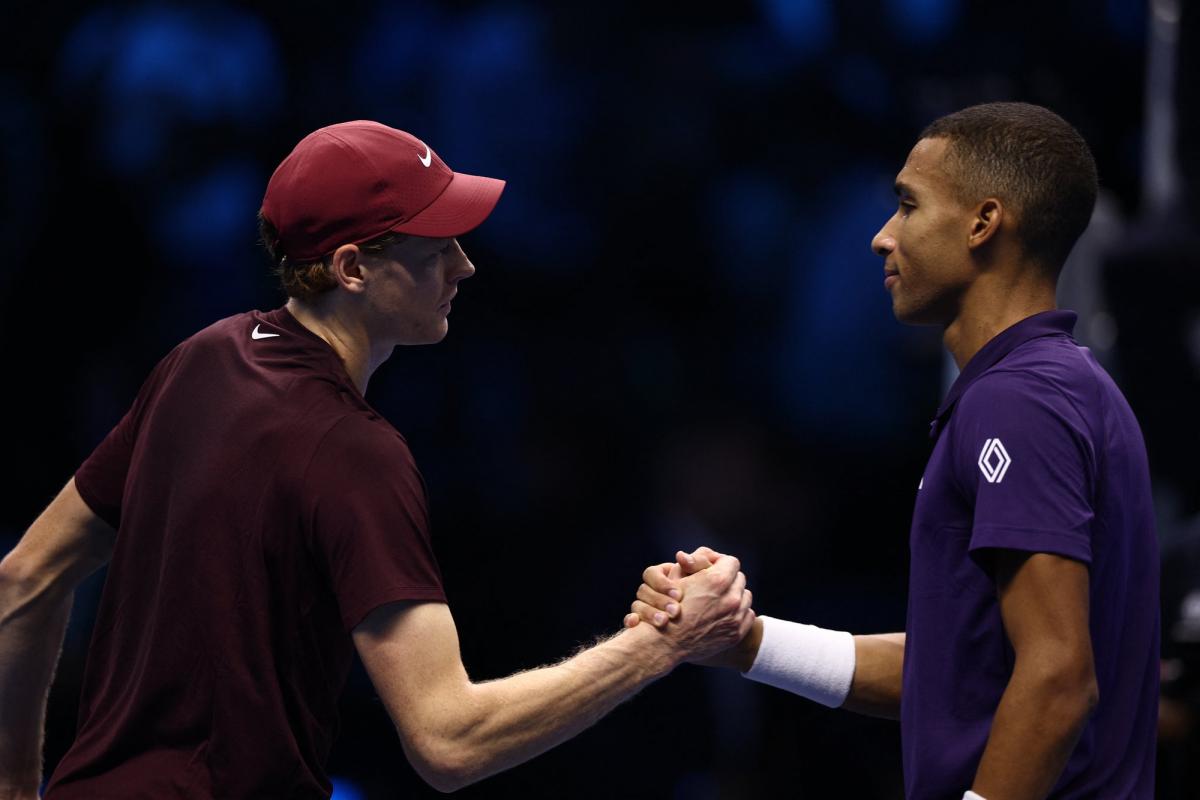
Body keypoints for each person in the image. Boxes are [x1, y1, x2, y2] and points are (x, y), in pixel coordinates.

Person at [0, 120, 755, 799]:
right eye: (436, 248)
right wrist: (660, 645)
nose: (465, 267)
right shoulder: (354, 451)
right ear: (353, 268)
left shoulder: (204, 356)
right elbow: (449, 740)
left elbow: (25, 576)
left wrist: (13, 783)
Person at [629, 102, 1158, 799]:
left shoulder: (1019, 402)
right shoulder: (1059, 388)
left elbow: (1058, 677)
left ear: (983, 222)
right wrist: (746, 642)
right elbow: (956, 675)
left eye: (908, 206)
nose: (882, 237)